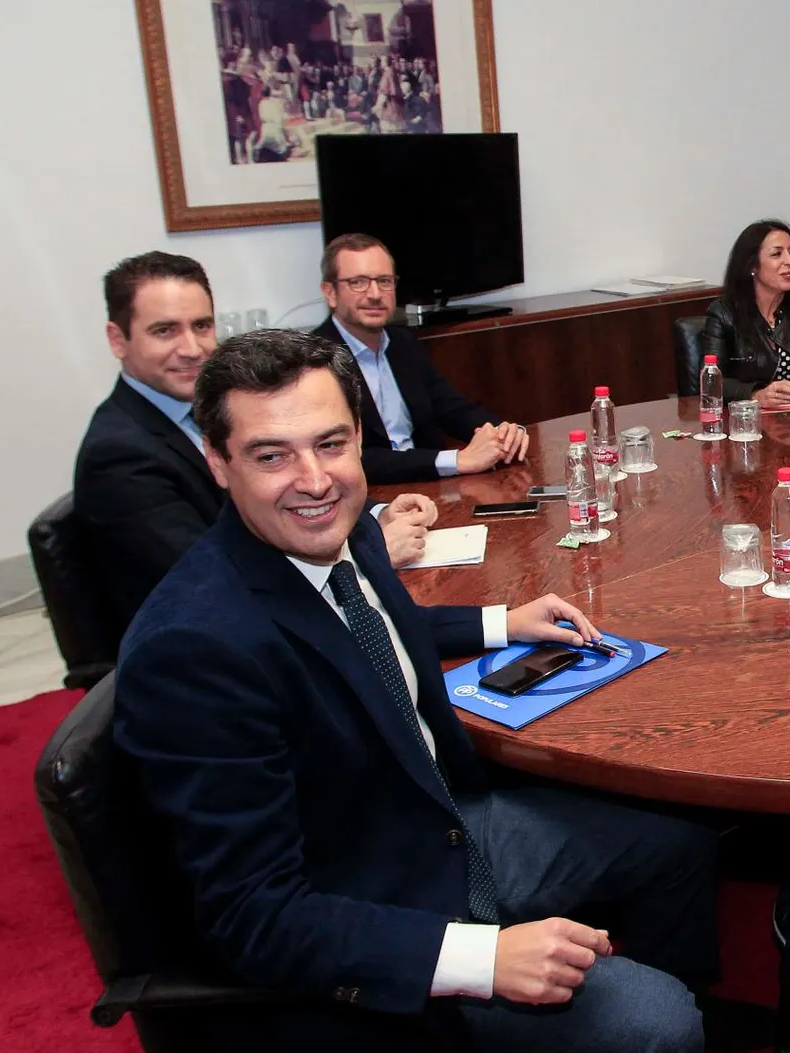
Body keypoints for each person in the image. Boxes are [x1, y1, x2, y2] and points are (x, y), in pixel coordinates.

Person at [112, 330, 718, 1051]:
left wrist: (501, 620)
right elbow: (255, 915)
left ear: (359, 437)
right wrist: (480, 958)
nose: (313, 478)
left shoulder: (347, 531)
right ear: (218, 461)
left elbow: (370, 626)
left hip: (436, 825)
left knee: (680, 841)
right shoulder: (195, 650)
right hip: (376, 909)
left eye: (331, 443)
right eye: (272, 455)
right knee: (658, 1023)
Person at [74, 252, 436, 629]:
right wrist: (371, 551)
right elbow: (216, 580)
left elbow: (282, 486)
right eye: (164, 331)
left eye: (201, 326)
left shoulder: (201, 407)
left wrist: (376, 514)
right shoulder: (118, 455)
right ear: (118, 340)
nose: (192, 348)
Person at [311, 233, 531, 485]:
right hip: (369, 500)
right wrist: (456, 460)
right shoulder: (315, 362)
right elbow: (349, 458)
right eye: (358, 282)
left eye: (384, 281)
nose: (374, 294)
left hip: (431, 487)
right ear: (330, 293)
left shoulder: (403, 344)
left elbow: (452, 409)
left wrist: (505, 432)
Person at [696, 220, 790, 407]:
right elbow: (711, 382)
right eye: (777, 254)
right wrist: (756, 395)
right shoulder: (723, 313)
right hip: (747, 424)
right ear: (752, 266)